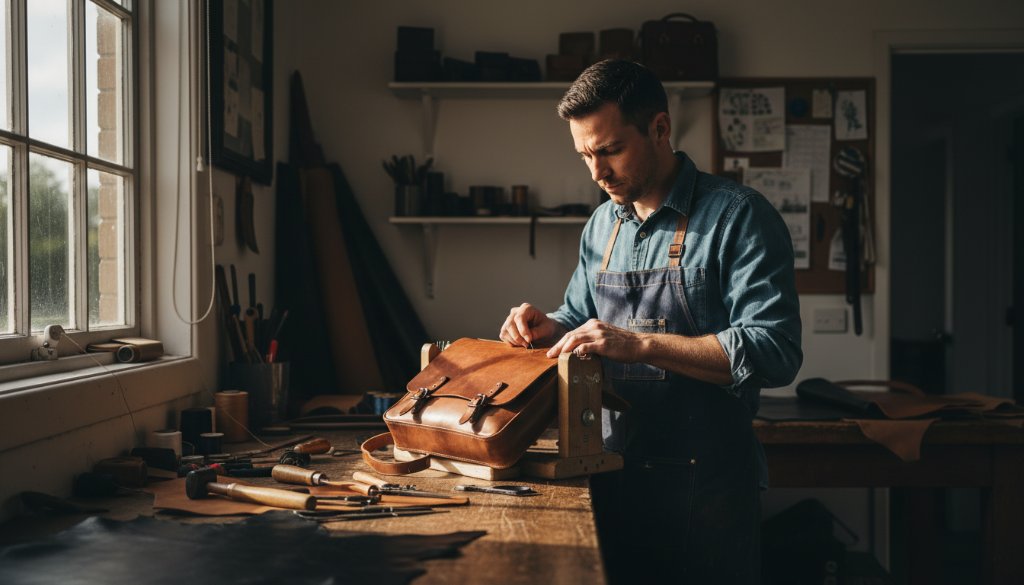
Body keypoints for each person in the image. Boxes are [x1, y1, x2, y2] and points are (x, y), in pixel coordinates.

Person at [498, 60, 802, 584]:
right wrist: (547, 326)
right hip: (609, 471)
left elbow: (774, 351)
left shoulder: (738, 217)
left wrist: (640, 345)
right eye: (585, 155)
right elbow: (581, 316)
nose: (597, 172)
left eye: (610, 149)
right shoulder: (601, 225)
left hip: (705, 488)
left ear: (659, 129)